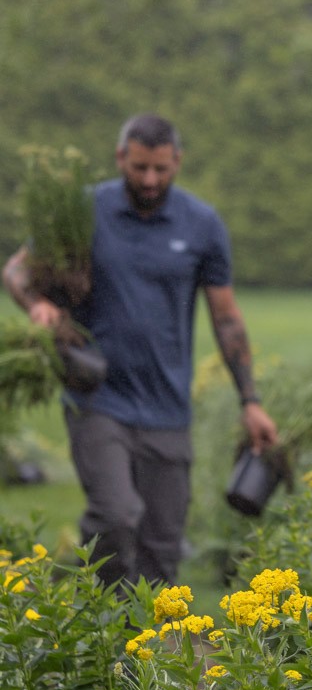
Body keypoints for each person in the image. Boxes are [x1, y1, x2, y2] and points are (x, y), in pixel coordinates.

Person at [2, 113, 278, 590]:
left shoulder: (202, 225)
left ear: (177, 162)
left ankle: (143, 657)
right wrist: (39, 304)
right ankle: (101, 620)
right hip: (97, 395)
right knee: (116, 515)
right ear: (120, 159)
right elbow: (16, 272)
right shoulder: (83, 210)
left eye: (161, 170)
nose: (150, 180)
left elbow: (227, 319)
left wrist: (250, 401)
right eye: (139, 168)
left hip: (168, 408)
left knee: (162, 548)